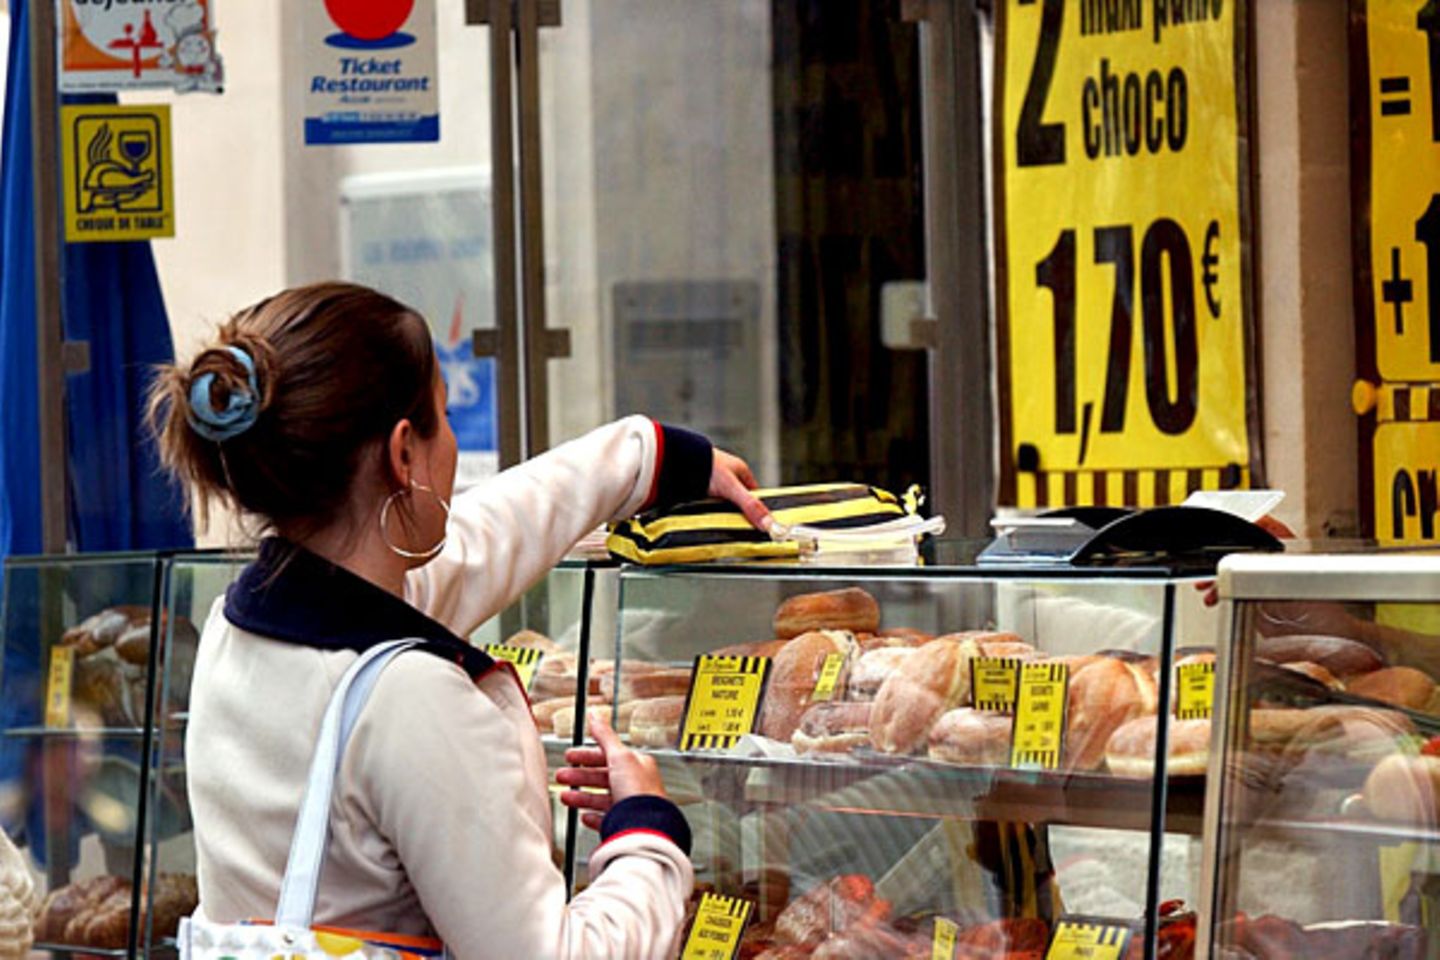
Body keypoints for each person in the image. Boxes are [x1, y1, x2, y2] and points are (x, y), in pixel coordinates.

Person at [146, 281, 771, 959]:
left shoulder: (236, 631)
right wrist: (645, 831)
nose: (451, 454)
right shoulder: (409, 697)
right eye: (443, 420)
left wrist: (649, 457)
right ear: (402, 452)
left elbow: (480, 540)